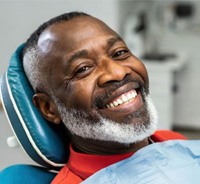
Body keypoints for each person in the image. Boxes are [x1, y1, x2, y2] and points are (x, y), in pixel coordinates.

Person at [22, 12, 187, 184]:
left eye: (119, 52)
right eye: (83, 69)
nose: (118, 72)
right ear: (49, 108)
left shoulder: (172, 140)